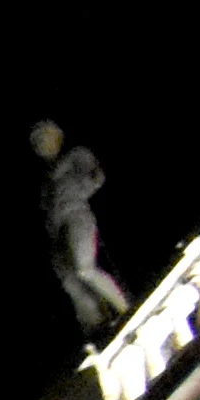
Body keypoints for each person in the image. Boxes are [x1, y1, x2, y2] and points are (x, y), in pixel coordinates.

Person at [46, 123, 134, 340]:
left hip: (76, 214)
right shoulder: (45, 182)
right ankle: (99, 324)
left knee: (84, 268)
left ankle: (125, 308)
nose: (41, 145)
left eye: (44, 138)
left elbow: (96, 175)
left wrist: (80, 191)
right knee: (70, 281)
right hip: (58, 230)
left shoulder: (75, 155)